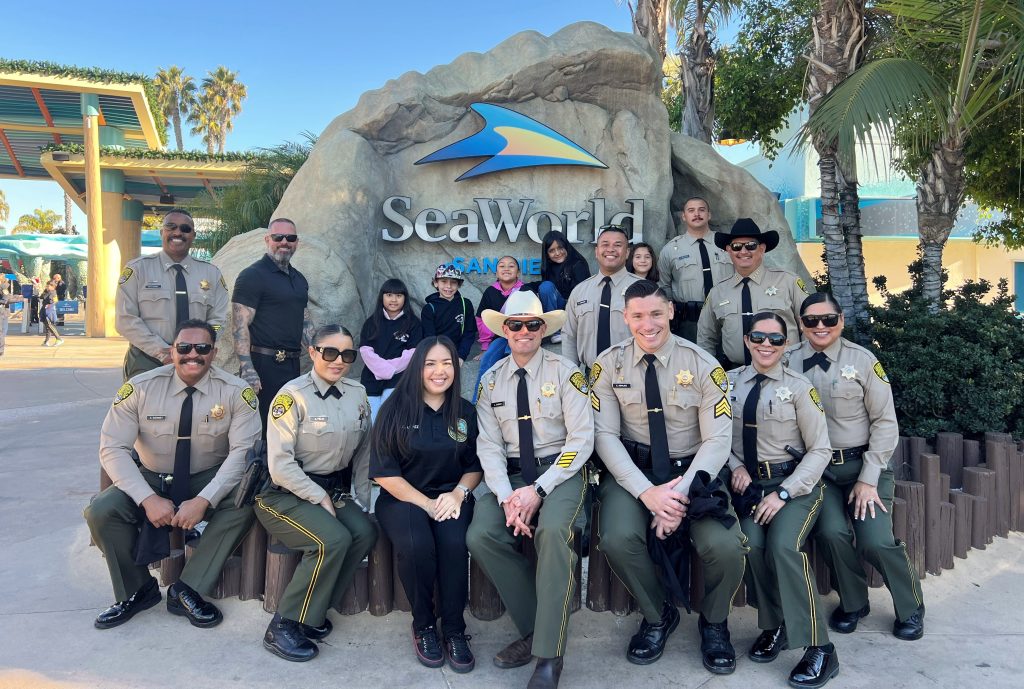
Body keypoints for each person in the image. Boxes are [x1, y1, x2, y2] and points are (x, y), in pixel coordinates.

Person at [592, 280, 747, 674]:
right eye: (639, 315)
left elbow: (716, 441)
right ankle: (658, 614)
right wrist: (647, 494)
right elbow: (605, 436)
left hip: (694, 472)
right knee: (615, 538)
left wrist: (676, 497)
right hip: (634, 473)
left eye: (656, 313)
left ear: (671, 313)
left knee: (726, 547)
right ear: (625, 318)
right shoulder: (607, 365)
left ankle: (714, 623)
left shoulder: (703, 365)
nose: (648, 324)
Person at [85, 319, 261, 631]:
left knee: (246, 503)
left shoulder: (236, 392)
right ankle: (137, 590)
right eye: (184, 347)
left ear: (214, 353)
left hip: (206, 476)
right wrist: (147, 498)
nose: (193, 354)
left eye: (202, 348)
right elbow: (112, 448)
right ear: (172, 351)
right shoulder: (140, 388)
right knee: (101, 511)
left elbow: (242, 454)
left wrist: (205, 500)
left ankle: (187, 588)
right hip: (152, 477)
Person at [467, 291, 593, 689]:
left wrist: (538, 490)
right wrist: (507, 498)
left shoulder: (566, 372)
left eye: (532, 324)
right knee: (481, 534)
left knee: (554, 533)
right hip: (511, 479)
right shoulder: (490, 381)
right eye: (516, 324)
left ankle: (547, 657)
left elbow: (581, 440)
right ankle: (538, 628)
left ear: (543, 330)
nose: (524, 331)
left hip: (558, 474)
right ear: (504, 330)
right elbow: (487, 445)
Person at [791, 293, 925, 641]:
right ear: (801, 324)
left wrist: (868, 479)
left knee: (876, 542)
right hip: (819, 472)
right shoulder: (787, 360)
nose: (820, 326)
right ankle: (853, 603)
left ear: (841, 321)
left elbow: (885, 423)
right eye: (811, 320)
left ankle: (911, 606)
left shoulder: (863, 361)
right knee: (831, 534)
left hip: (864, 468)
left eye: (828, 319)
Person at [726, 312, 838, 688]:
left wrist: (785, 491)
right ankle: (777, 627)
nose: (766, 345)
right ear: (747, 340)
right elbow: (715, 435)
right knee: (750, 545)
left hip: (796, 486)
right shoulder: (729, 384)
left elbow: (820, 450)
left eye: (775, 339)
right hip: (752, 488)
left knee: (783, 547)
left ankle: (820, 647)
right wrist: (735, 465)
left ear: (786, 345)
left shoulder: (800, 388)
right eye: (759, 337)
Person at [256, 324, 377, 662]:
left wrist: (363, 500)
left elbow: (366, 452)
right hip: (284, 493)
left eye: (347, 355)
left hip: (333, 491)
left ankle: (314, 610)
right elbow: (280, 465)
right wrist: (317, 496)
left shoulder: (357, 392)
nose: (338, 361)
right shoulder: (291, 396)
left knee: (365, 532)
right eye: (330, 352)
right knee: (331, 540)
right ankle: (283, 625)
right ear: (312, 352)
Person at [371, 337, 482, 673]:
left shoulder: (464, 411)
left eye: (447, 363)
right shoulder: (394, 408)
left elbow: (474, 466)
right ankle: (423, 626)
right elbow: (383, 474)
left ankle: (454, 630)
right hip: (403, 497)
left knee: (452, 544)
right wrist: (427, 503)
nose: (439, 371)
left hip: (451, 496)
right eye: (431, 363)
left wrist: (458, 494)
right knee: (417, 544)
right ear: (418, 366)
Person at [117, 209, 229, 380]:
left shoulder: (212, 274)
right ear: (162, 232)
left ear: (193, 235)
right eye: (171, 227)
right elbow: (125, 319)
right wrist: (164, 353)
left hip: (195, 361)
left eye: (185, 229)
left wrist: (198, 348)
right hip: (147, 360)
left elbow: (218, 320)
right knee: (147, 407)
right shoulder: (138, 270)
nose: (178, 232)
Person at [231, 218, 315, 431]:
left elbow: (304, 320)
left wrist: (319, 354)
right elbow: (240, 326)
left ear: (297, 242)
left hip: (293, 365)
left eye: (291, 238)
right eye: (278, 237)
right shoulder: (252, 275)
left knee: (287, 425)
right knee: (263, 428)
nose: (284, 242)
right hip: (263, 365)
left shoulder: (300, 279)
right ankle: (261, 465)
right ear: (267, 239)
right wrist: (247, 367)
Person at [696, 218, 809, 369]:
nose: (743, 251)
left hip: (784, 373)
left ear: (762, 249)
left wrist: (804, 366)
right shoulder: (718, 292)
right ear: (728, 250)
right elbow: (706, 338)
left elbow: (809, 326)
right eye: (736, 246)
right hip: (736, 375)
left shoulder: (788, 282)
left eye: (751, 245)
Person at [562, 225, 641, 372]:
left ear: (627, 252)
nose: (610, 249)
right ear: (596, 252)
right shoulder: (579, 291)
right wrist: (571, 375)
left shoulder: (643, 289)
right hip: (590, 375)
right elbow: (569, 336)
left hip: (633, 374)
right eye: (605, 244)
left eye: (618, 245)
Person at [657, 198, 734, 341]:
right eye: (691, 210)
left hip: (727, 318)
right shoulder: (671, 250)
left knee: (729, 361)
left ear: (709, 215)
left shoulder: (728, 245)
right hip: (689, 323)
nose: (696, 214)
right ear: (684, 217)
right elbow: (664, 286)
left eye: (701, 210)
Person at [358, 278, 422, 420]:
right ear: (382, 297)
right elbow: (365, 350)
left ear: (405, 298)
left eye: (399, 295)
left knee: (390, 420)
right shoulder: (372, 322)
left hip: (399, 380)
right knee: (371, 421)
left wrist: (389, 370)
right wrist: (383, 370)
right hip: (371, 379)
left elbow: (413, 353)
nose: (394, 300)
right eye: (389, 295)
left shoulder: (413, 323)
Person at [421, 264, 477, 363]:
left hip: (458, 354)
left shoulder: (465, 304)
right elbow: (430, 337)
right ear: (435, 283)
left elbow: (469, 333)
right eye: (444, 281)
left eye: (453, 282)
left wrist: (461, 356)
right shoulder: (429, 308)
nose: (449, 286)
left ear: (459, 285)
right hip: (437, 354)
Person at [533, 230, 590, 319]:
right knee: (545, 287)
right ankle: (552, 326)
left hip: (575, 308)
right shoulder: (549, 266)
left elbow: (583, 294)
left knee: (546, 286)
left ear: (566, 246)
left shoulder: (578, 264)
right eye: (552, 250)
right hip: (556, 310)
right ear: (547, 254)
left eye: (560, 248)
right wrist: (522, 287)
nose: (557, 253)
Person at [40, 280, 63, 347]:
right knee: (47, 326)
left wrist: (49, 305)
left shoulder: (53, 293)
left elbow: (55, 301)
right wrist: (44, 291)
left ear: (53, 287)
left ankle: (58, 339)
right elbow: (41, 297)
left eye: (48, 286)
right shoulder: (46, 291)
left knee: (50, 325)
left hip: (49, 310)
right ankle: (46, 341)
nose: (47, 287)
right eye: (47, 285)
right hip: (44, 309)